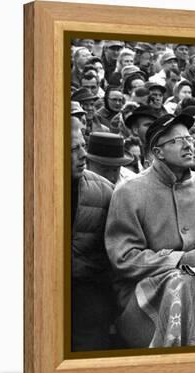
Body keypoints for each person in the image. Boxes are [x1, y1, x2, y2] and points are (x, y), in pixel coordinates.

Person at [105, 113, 195, 345]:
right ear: (158, 153)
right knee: (181, 285)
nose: (189, 145)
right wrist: (182, 258)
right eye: (177, 141)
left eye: (189, 138)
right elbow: (124, 258)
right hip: (144, 293)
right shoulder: (129, 191)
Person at [70, 117, 115, 351]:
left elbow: (113, 256)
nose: (83, 155)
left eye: (83, 146)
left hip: (87, 292)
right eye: (73, 149)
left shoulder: (105, 191)